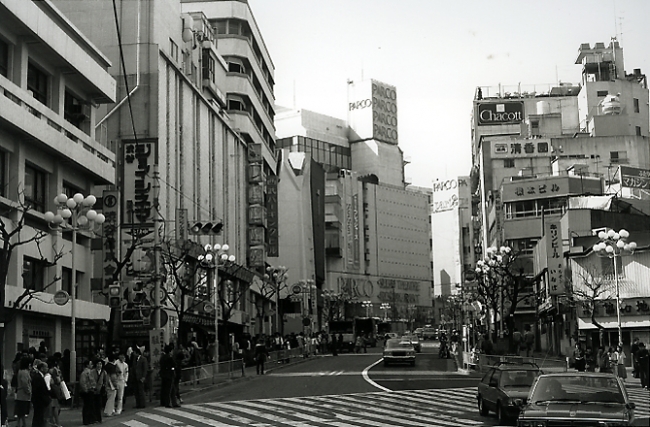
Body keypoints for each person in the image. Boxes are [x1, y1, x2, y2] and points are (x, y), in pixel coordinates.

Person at [31, 360, 52, 427]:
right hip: (39, 400)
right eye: (46, 367)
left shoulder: (39, 376)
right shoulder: (38, 377)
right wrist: (46, 399)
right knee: (39, 416)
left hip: (39, 400)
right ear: (42, 368)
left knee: (39, 416)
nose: (47, 369)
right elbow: (39, 390)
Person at [15, 357, 32, 427]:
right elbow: (25, 383)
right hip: (23, 393)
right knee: (23, 409)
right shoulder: (25, 372)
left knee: (20, 410)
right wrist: (29, 391)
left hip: (20, 393)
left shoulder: (20, 371)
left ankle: (19, 423)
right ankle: (23, 423)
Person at [79, 360, 97, 425]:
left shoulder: (89, 372)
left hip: (90, 390)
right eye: (90, 364)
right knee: (87, 406)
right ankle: (86, 420)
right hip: (88, 390)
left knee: (90, 406)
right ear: (87, 365)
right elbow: (82, 382)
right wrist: (86, 389)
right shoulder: (85, 373)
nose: (92, 365)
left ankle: (90, 419)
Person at [48, 361, 64, 427]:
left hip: (52, 390)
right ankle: (56, 422)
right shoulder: (55, 371)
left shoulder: (49, 372)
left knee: (53, 407)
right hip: (55, 390)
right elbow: (59, 380)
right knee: (55, 407)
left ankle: (52, 421)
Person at [91, 359, 106, 424]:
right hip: (93, 390)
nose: (99, 365)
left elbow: (105, 381)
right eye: (98, 364)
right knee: (94, 404)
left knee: (99, 404)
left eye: (100, 364)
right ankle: (94, 418)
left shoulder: (104, 372)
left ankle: (99, 418)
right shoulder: (92, 372)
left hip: (100, 390)